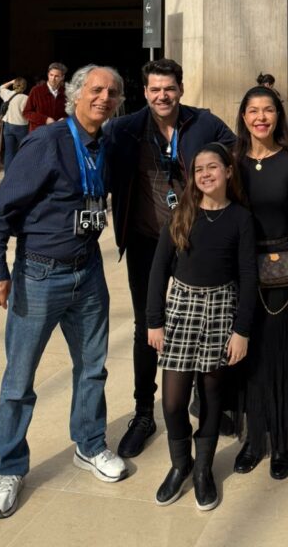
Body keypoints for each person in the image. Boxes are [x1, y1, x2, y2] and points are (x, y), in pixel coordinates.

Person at [0, 65, 128, 520]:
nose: (104, 98)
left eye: (113, 92)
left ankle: (90, 444)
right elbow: (1, 209)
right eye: (96, 90)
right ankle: (9, 467)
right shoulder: (47, 142)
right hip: (39, 275)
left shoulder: (106, 142)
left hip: (88, 273)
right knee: (19, 381)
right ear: (76, 95)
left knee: (92, 368)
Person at [106, 58, 235, 459]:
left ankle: (201, 397)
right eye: (155, 89)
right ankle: (144, 412)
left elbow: (239, 156)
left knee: (203, 320)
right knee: (150, 324)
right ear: (145, 92)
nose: (163, 95)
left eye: (169, 88)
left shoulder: (205, 123)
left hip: (195, 241)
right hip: (146, 242)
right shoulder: (125, 129)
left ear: (181, 88)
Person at [146, 143, 256, 509]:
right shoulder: (181, 213)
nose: (206, 174)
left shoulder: (240, 218)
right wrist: (154, 321)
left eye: (213, 167)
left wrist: (242, 330)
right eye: (198, 169)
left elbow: (247, 275)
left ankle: (204, 470)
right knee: (174, 400)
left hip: (221, 308)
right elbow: (159, 270)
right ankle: (181, 465)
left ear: (227, 171)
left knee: (211, 396)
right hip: (181, 308)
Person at [232, 86, 288, 480]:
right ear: (244, 117)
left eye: (268, 110)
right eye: (253, 111)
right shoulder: (231, 161)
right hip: (237, 270)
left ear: (279, 116)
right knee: (247, 357)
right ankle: (254, 440)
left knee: (280, 355)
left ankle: (281, 441)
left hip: (281, 270)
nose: (261, 118)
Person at [23, 62, 67, 131]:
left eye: (57, 76)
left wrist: (65, 119)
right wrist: (45, 119)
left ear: (62, 77)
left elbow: (70, 114)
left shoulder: (66, 93)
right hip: (38, 134)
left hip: (57, 133)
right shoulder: (36, 90)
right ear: (48, 75)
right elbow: (27, 112)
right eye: (51, 75)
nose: (53, 78)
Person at [0, 78, 29, 171]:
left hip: (7, 125)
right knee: (23, 151)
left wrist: (11, 81)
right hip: (21, 126)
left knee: (9, 152)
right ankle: (21, 173)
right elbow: (27, 114)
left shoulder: (7, 94)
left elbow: (1, 87)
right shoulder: (26, 98)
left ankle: (8, 175)